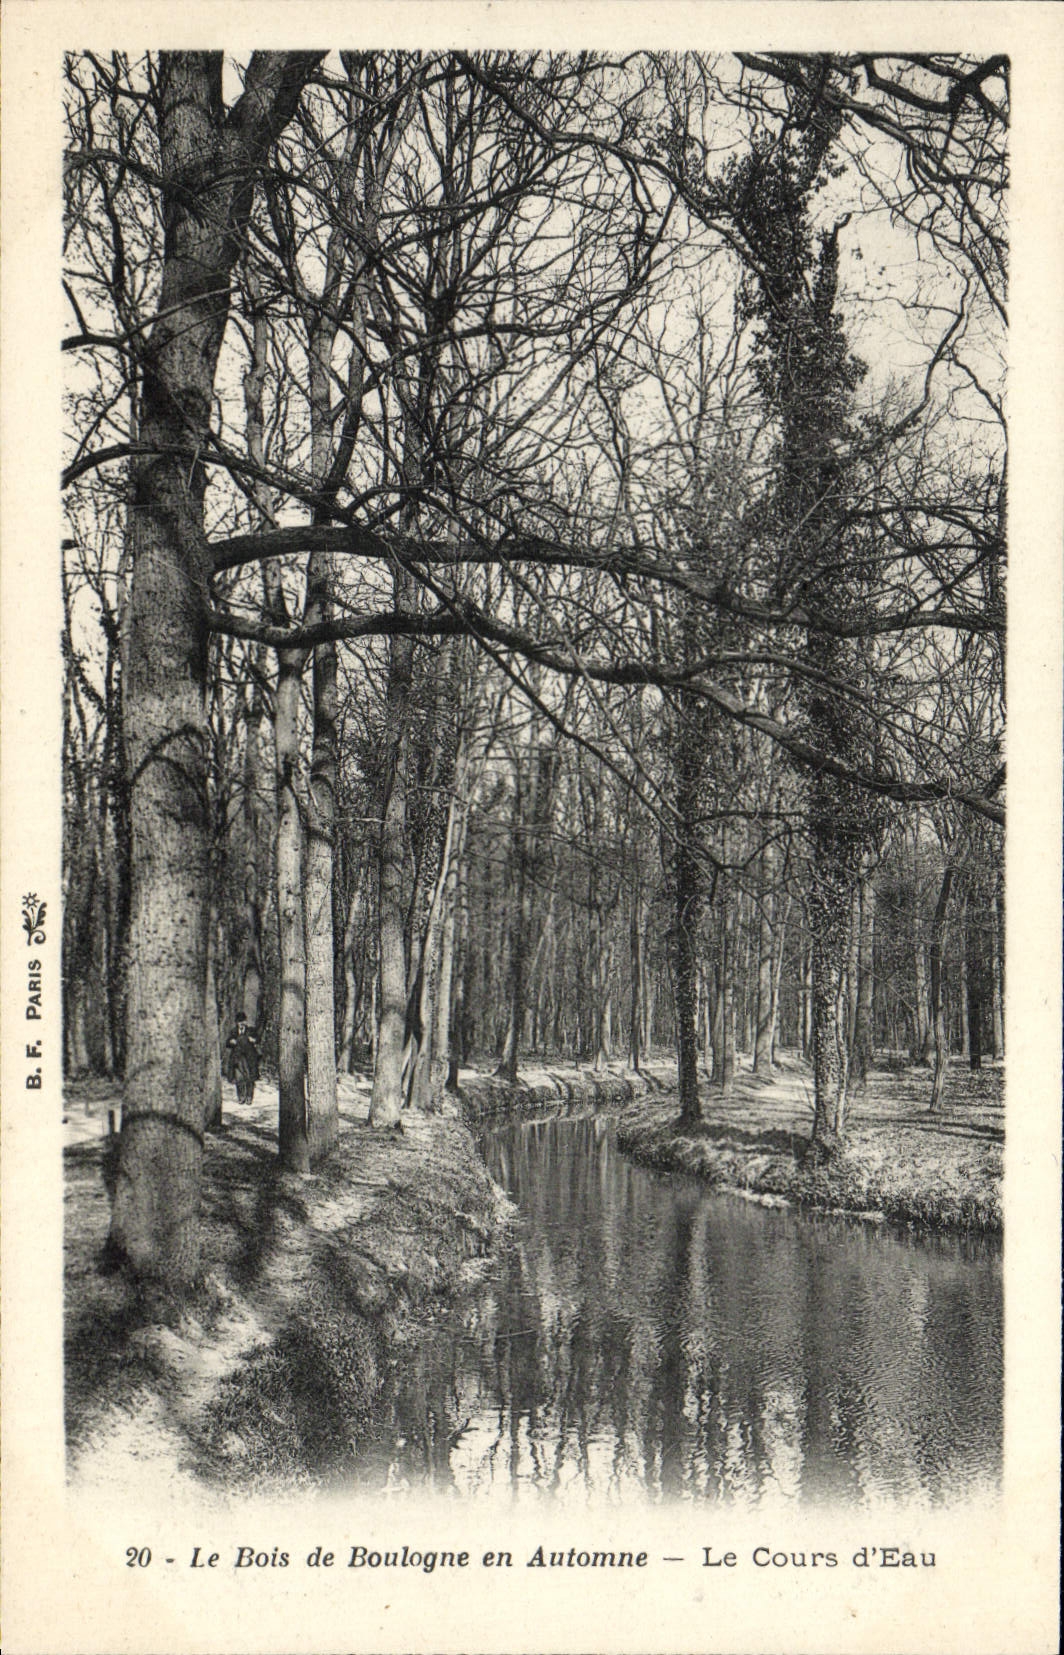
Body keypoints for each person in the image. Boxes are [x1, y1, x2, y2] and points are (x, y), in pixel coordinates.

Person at [223, 1013, 259, 1105]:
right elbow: (227, 1043)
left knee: (250, 1077)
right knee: (239, 1078)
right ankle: (241, 1097)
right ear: (237, 1023)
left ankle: (249, 1097)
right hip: (238, 1058)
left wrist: (254, 1040)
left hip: (249, 1058)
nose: (241, 1023)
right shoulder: (234, 1032)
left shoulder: (251, 1031)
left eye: (243, 1021)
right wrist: (231, 1042)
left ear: (246, 1022)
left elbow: (258, 1039)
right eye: (239, 1022)